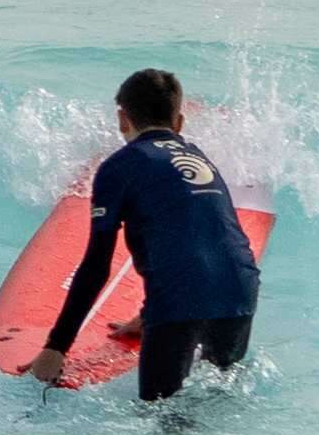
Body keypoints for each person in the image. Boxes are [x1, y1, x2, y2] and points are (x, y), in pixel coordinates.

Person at [32, 66, 261, 401]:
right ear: (179, 122)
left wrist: (56, 347)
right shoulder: (199, 159)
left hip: (177, 300)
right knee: (218, 401)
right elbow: (203, 235)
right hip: (240, 291)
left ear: (123, 119)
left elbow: (97, 266)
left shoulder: (120, 166)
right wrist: (147, 314)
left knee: (161, 419)